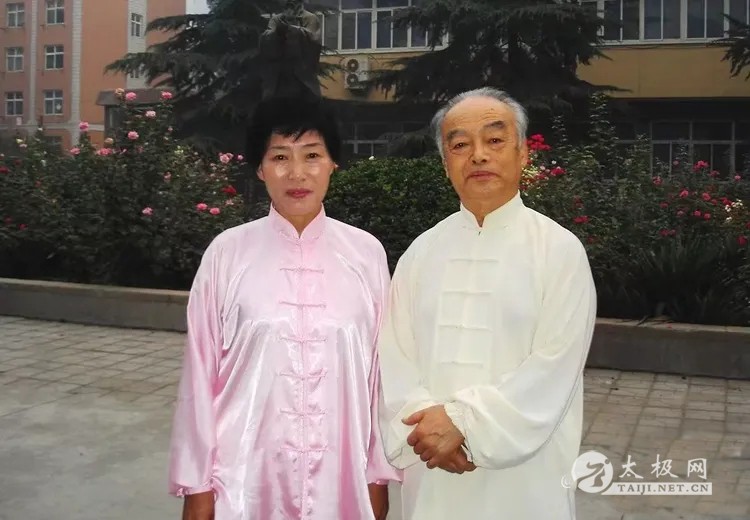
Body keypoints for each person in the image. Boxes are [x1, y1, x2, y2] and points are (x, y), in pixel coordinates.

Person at [168, 96, 399, 520]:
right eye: (279, 157)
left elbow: (380, 379)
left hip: (341, 480)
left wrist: (377, 473)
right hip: (244, 480)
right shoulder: (227, 254)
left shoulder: (366, 254)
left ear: (333, 163)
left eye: (312, 155)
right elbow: (199, 377)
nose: (296, 173)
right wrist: (196, 484)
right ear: (259, 168)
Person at [376, 87, 597, 519]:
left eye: (495, 140)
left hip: (525, 477)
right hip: (433, 468)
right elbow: (394, 358)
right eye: (460, 145)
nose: (478, 155)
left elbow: (553, 368)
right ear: (446, 163)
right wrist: (425, 425)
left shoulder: (559, 251)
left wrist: (464, 423)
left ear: (523, 153)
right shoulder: (421, 253)